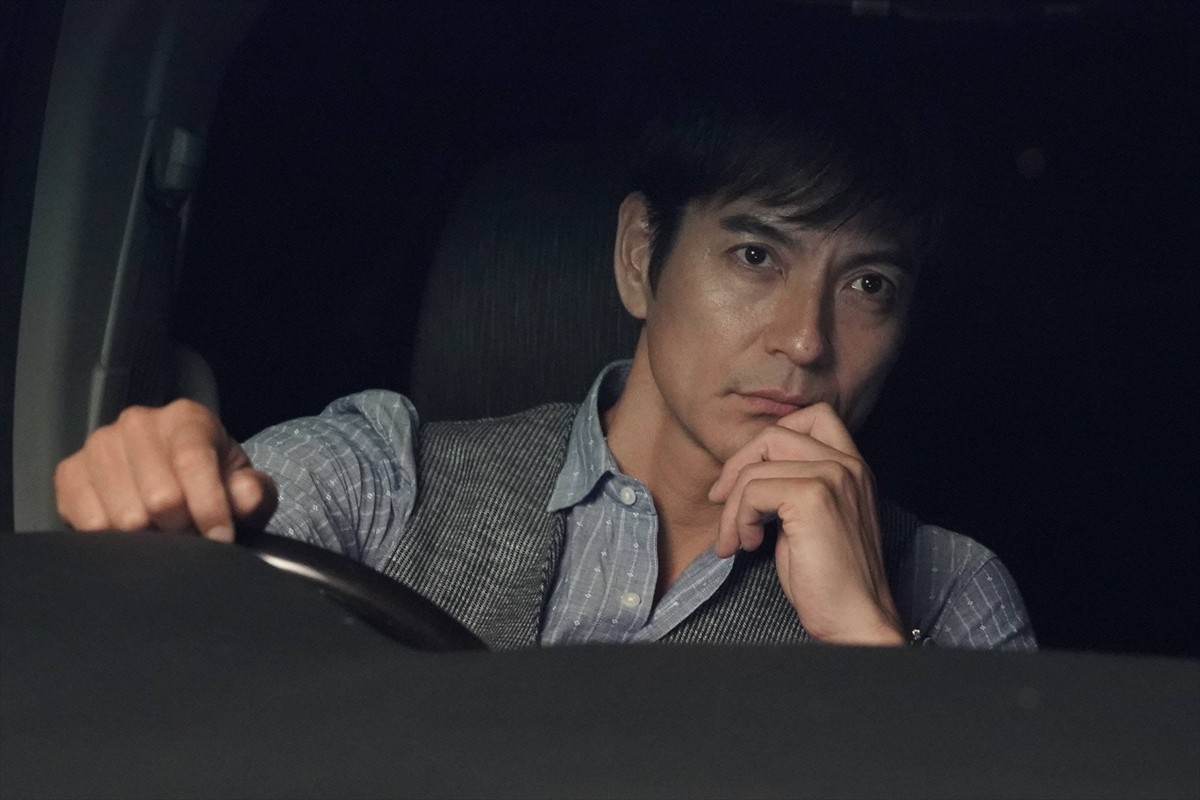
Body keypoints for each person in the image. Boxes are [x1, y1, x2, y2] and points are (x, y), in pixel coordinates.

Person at [53, 72, 1036, 651]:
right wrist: (155, 508)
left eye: (869, 284)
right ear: (641, 256)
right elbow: (130, 682)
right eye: (754, 256)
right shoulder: (387, 476)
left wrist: (869, 643)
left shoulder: (949, 590)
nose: (807, 340)